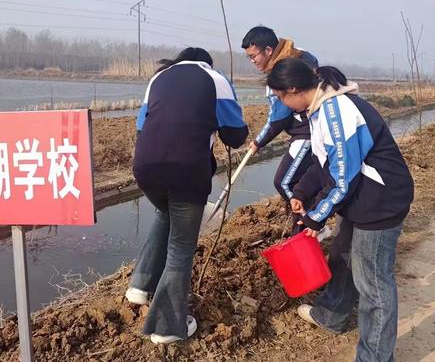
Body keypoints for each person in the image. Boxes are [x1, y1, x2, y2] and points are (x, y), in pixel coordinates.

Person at [267, 59, 414, 362]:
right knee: (343, 257)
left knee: (373, 284)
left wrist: (315, 217)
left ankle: (374, 357)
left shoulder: (336, 111)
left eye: (281, 97)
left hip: (379, 201)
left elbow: (344, 177)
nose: (283, 104)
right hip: (361, 200)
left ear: (294, 89)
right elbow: (326, 165)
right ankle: (332, 315)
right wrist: (303, 193)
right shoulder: (319, 109)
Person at [126, 47, 248, 345]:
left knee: (164, 214)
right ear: (207, 62)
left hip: (145, 169)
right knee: (181, 246)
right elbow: (235, 135)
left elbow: (143, 126)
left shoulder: (159, 78)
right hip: (186, 172)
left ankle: (139, 287)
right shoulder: (214, 78)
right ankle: (167, 327)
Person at [242, 26, 318, 232]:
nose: (253, 61)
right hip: (303, 132)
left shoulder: (283, 70)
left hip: (307, 132)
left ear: (268, 50)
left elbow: (279, 116)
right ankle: (302, 228)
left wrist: (258, 141)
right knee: (298, 184)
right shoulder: (299, 56)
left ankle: (312, 222)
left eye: (253, 56)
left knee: (284, 182)